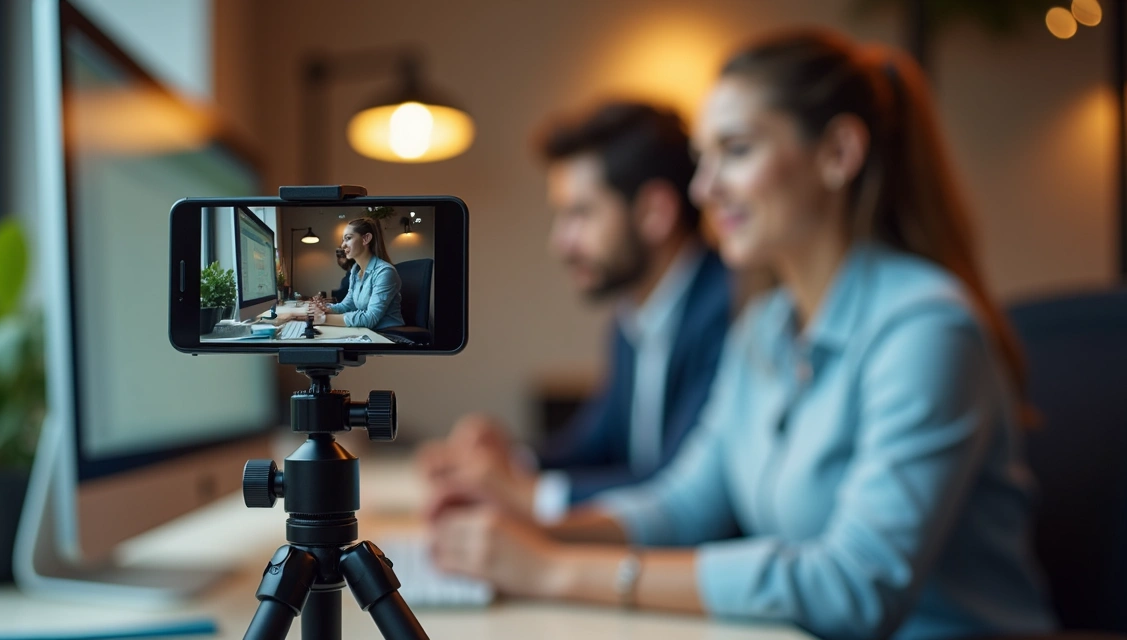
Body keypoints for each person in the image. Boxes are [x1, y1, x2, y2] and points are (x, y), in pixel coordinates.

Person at [427, 29, 1057, 640]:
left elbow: (854, 589)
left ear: (838, 154)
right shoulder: (764, 326)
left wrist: (555, 570)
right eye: (703, 159)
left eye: (738, 150)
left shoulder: (926, 328)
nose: (704, 189)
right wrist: (527, 532)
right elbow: (685, 504)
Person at [417, 102, 733, 522]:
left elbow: (677, 486)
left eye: (580, 214)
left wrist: (527, 493)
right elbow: (594, 446)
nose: (560, 242)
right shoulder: (633, 319)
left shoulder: (729, 309)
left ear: (655, 212)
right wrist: (509, 460)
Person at [280, 217, 404, 330]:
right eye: (343, 240)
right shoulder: (356, 270)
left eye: (348, 238)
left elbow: (369, 318)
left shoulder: (384, 272)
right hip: (368, 330)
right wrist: (327, 309)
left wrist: (323, 318)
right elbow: (347, 305)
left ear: (366, 239)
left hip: (387, 333)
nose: (343, 245)